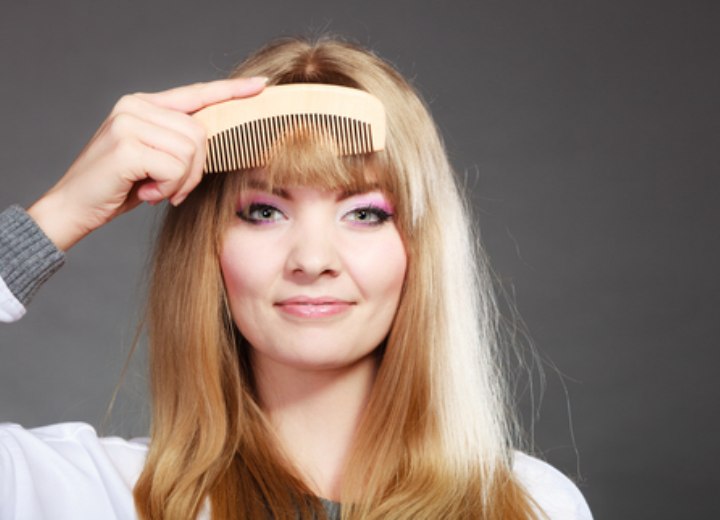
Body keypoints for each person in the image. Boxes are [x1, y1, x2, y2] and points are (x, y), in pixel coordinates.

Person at [0, 37, 592, 519]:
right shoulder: (90, 496)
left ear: (421, 250)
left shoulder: (530, 505)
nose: (312, 259)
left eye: (365, 213)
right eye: (264, 212)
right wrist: (58, 215)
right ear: (209, 250)